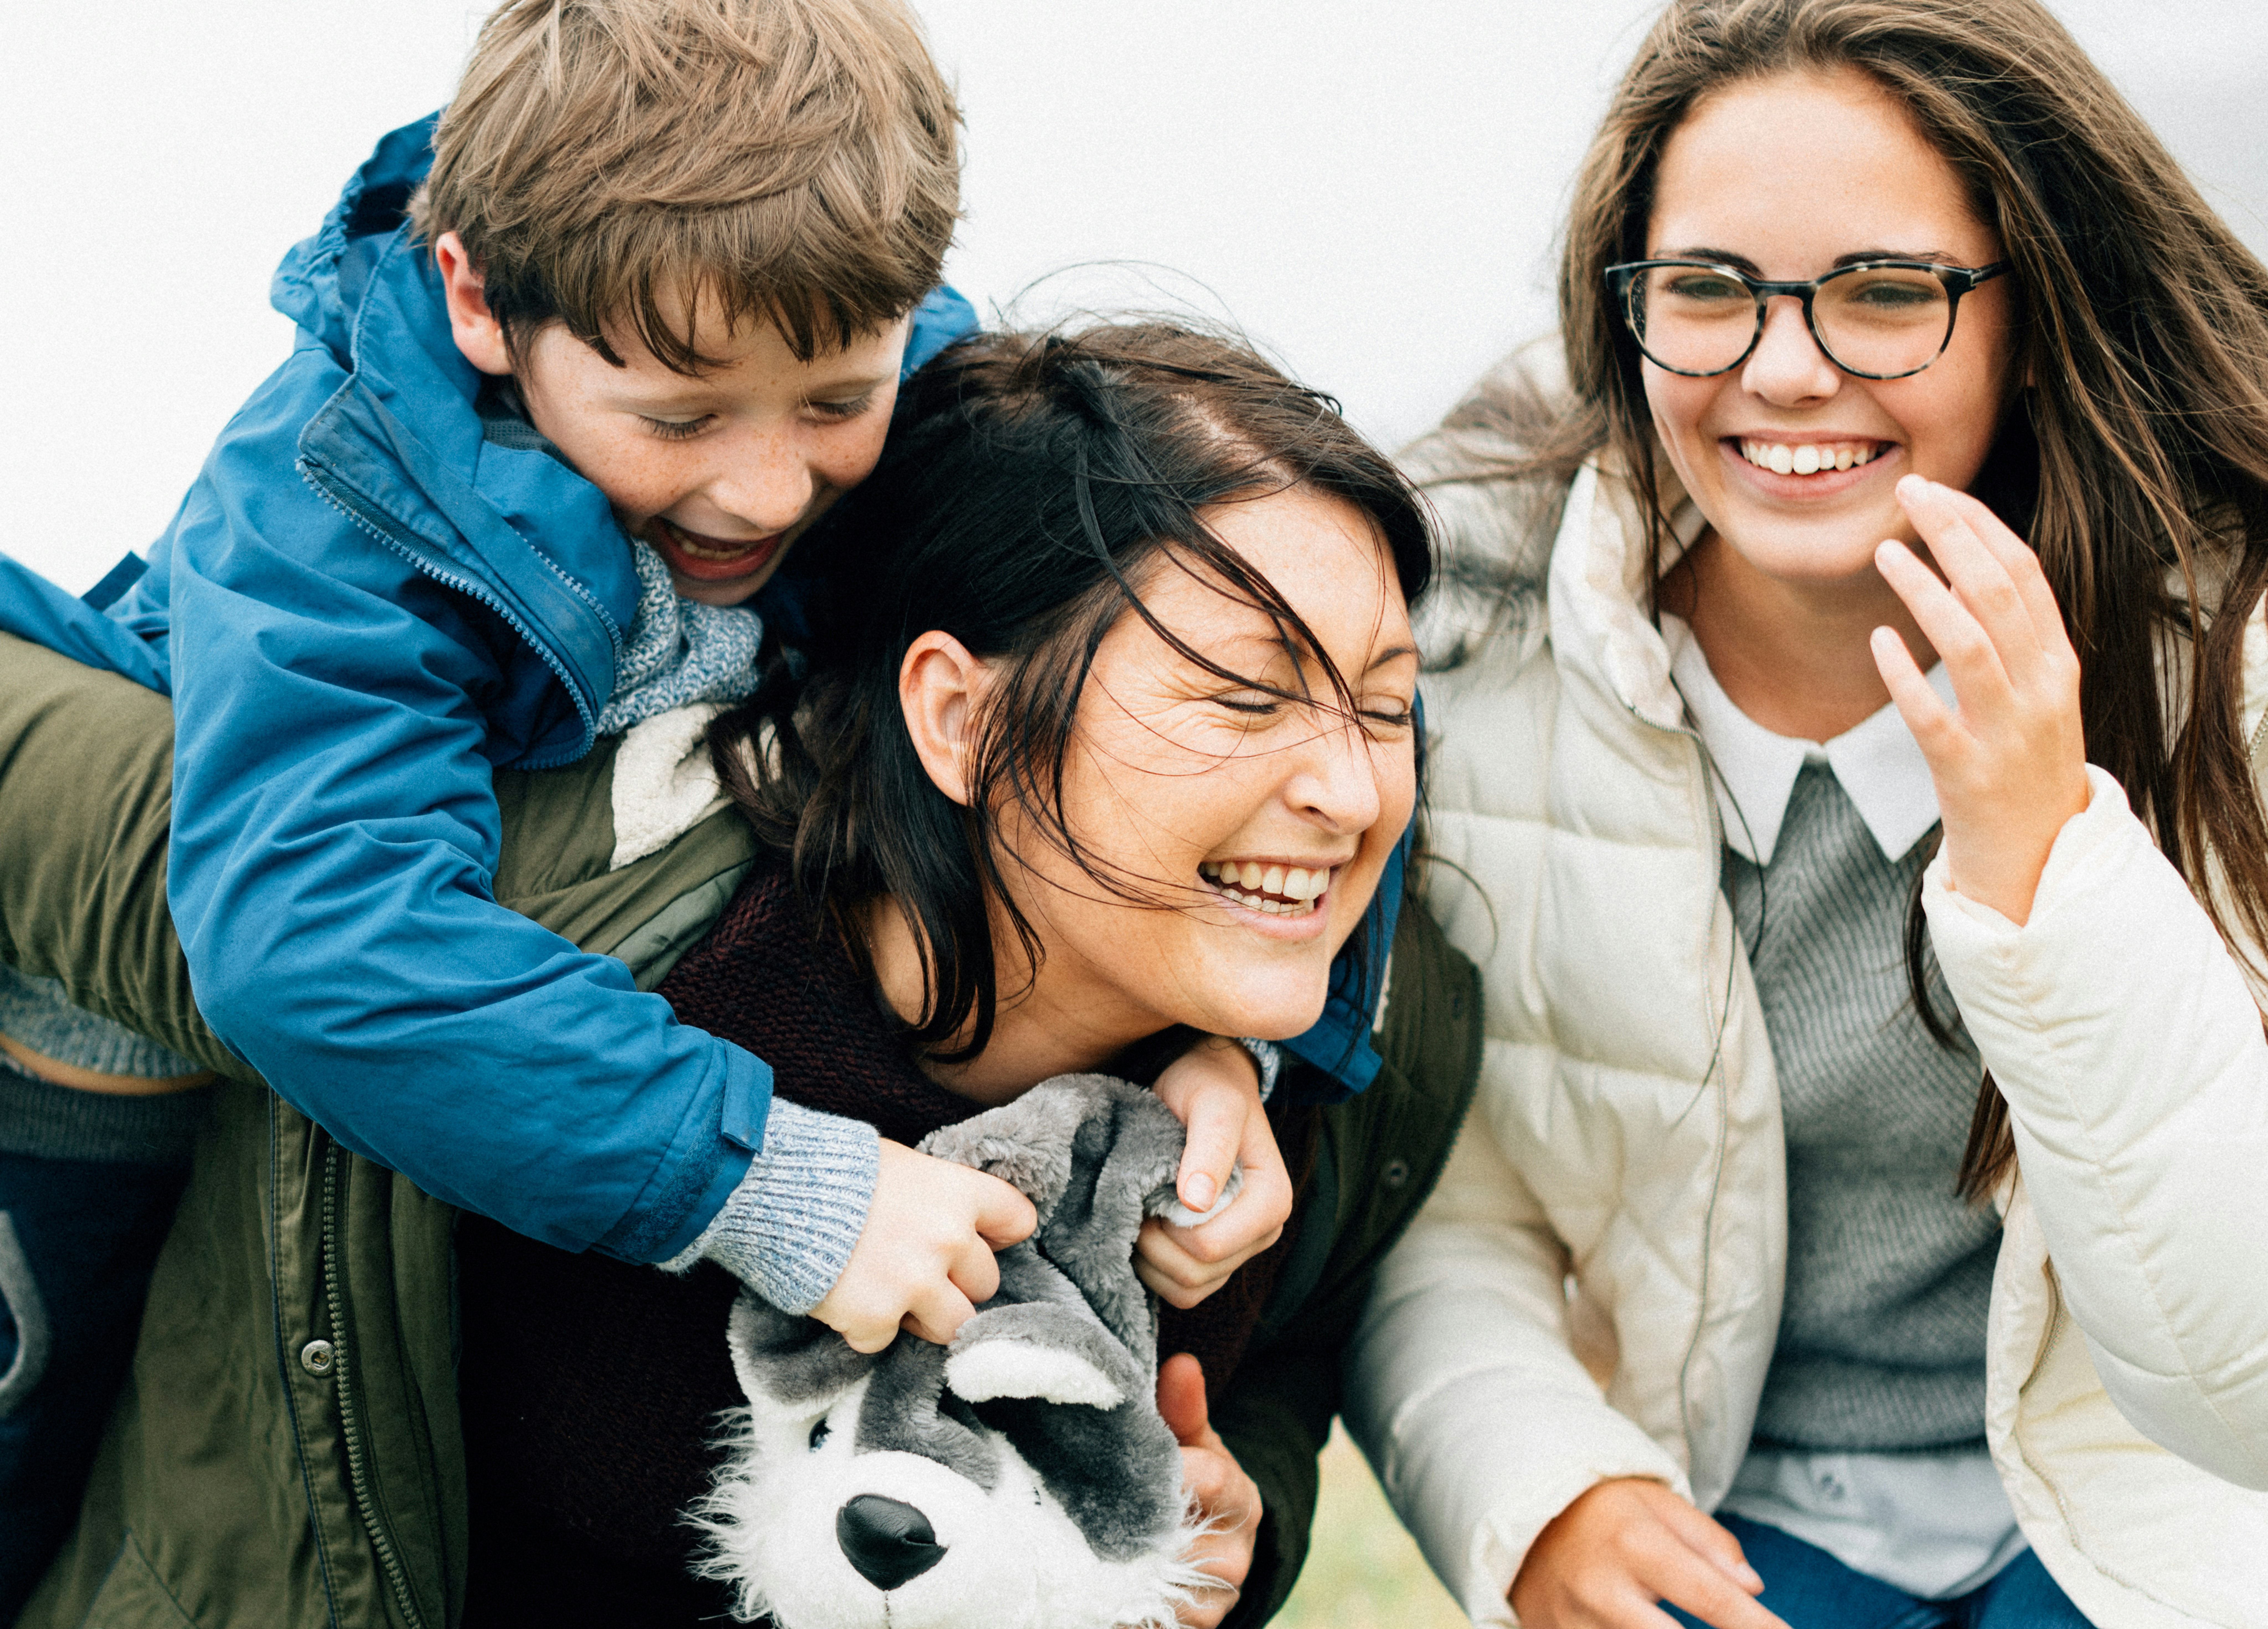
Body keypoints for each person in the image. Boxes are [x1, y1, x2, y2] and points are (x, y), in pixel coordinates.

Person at [0, 0, 1338, 1604]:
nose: (768, 488)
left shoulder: (898, 369)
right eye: (681, 418)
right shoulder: (329, 490)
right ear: (482, 303)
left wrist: (1232, 1047)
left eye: (836, 404)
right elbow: (313, 936)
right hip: (97, 1052)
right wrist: (771, 1178)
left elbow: (1273, 653)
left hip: (496, 1047)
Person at [1346, 2, 2268, 1626]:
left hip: (2153, 1504)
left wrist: (2044, 858)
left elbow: (2242, 1381)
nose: (1783, 372)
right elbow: (1452, 1201)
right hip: (1734, 1506)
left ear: (2035, 315)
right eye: (1705, 290)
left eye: (1887, 294)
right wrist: (1539, 1482)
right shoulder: (1472, 647)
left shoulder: (2230, 662)